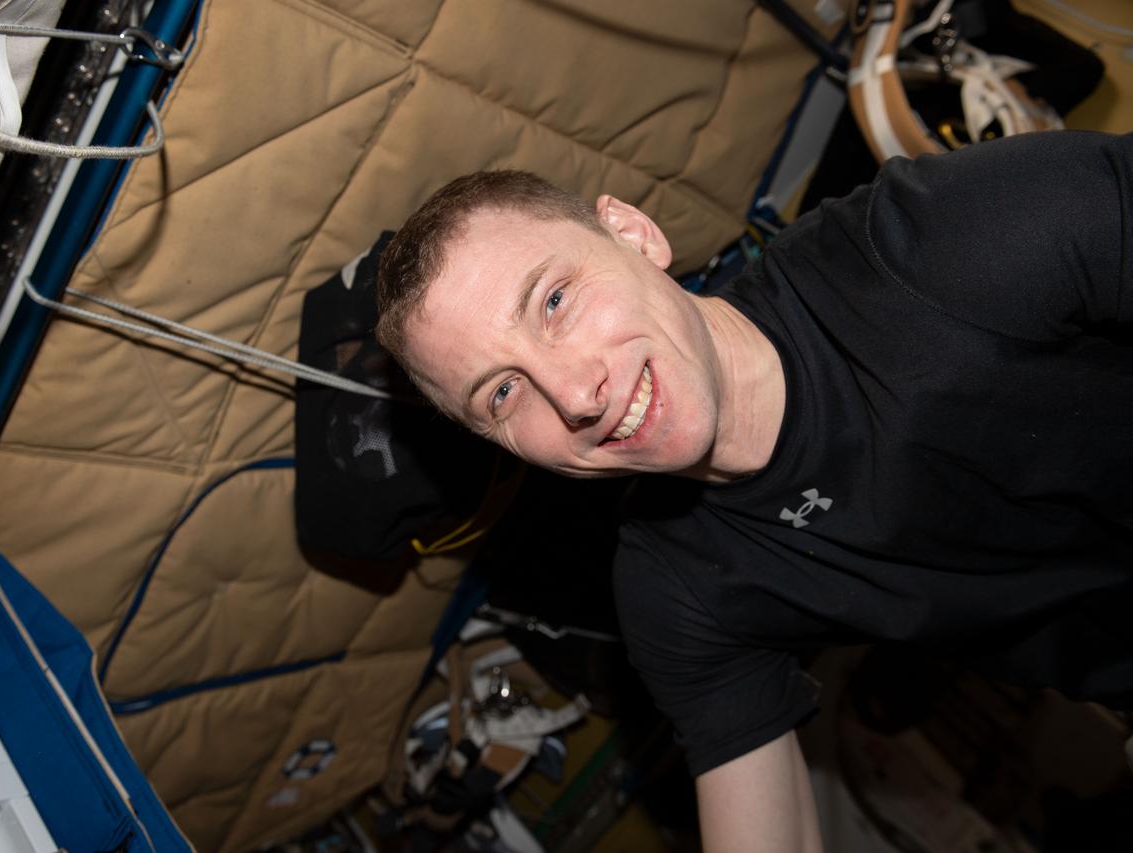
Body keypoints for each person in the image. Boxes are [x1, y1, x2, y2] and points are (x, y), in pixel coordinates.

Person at [374, 129, 1133, 852]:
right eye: (504, 394)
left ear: (635, 236)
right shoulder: (676, 587)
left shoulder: (938, 245)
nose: (574, 394)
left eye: (553, 301)